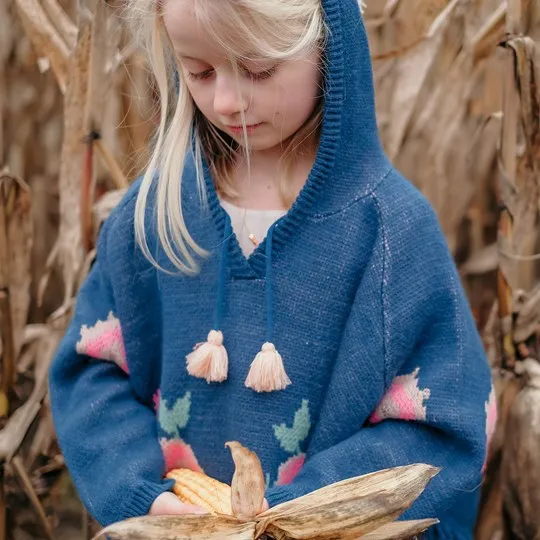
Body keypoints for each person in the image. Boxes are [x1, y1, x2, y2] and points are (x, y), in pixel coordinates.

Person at [48, 0, 497, 535]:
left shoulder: (390, 233)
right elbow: (92, 376)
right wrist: (140, 493)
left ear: (328, 47)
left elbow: (442, 425)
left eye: (258, 70)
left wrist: (299, 515)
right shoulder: (154, 216)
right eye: (200, 71)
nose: (227, 100)